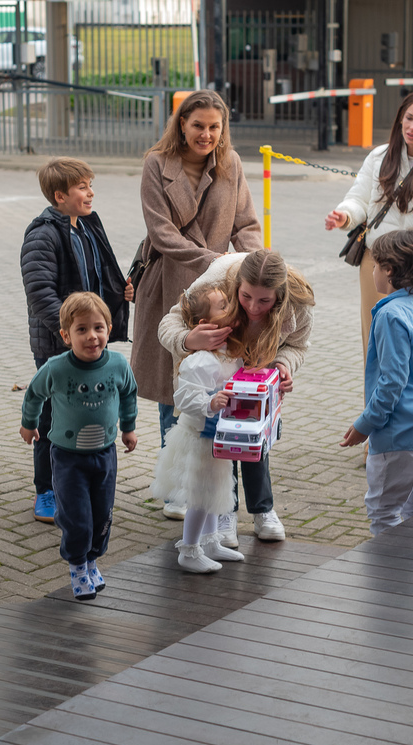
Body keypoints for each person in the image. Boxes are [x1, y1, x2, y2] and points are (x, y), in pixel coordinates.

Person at [132, 89, 263, 521]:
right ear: (181, 125)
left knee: (222, 381)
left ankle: (220, 484)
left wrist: (250, 266)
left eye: (214, 127)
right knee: (175, 387)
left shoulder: (233, 164)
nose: (206, 135)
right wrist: (217, 262)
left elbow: (246, 224)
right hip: (169, 284)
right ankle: (178, 487)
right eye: (197, 126)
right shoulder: (156, 163)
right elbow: (162, 231)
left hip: (222, 292)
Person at [158, 248, 314, 543]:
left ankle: (263, 509)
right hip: (218, 379)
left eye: (265, 301)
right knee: (221, 446)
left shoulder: (297, 303)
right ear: (235, 286)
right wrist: (188, 339)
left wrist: (283, 366)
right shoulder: (218, 278)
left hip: (257, 379)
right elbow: (170, 322)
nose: (254, 307)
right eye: (246, 297)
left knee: (256, 441)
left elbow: (298, 345)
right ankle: (224, 513)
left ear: (279, 295)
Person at [20, 157, 133, 525]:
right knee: (52, 418)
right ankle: (46, 490)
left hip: (86, 344)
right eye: (82, 187)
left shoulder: (84, 226)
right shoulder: (42, 235)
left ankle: (80, 482)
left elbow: (98, 276)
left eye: (90, 184)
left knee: (86, 411)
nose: (91, 192)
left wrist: (120, 292)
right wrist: (70, 336)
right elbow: (40, 294)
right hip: (59, 346)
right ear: (59, 195)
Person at [324, 91, 413, 360]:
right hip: (378, 263)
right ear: (400, 119)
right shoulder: (380, 157)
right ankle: (374, 403)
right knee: (375, 343)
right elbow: (359, 198)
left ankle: (411, 403)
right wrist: (345, 215)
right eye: (409, 118)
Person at [20, 292, 138, 599]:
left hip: (105, 454)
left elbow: (128, 394)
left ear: (109, 330)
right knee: (78, 517)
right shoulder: (57, 368)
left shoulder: (117, 364)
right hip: (68, 459)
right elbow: (34, 393)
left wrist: (129, 428)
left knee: (102, 515)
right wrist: (29, 423)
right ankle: (76, 566)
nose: (92, 336)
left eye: (98, 328)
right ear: (65, 335)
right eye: (81, 329)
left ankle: (92, 559)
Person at [340, 230, 413, 534]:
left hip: (399, 437)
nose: (372, 271)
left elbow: (391, 382)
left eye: (375, 265)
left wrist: (365, 424)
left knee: (383, 512)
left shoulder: (390, 315)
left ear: (388, 270)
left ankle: (387, 579)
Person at [149, 286, 248, 572]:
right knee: (200, 495)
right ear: (206, 324)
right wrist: (210, 402)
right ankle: (189, 549)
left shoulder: (229, 352)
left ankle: (211, 540)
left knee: (217, 489)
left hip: (220, 436)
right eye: (223, 305)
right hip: (201, 437)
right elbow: (182, 397)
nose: (231, 306)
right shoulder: (200, 360)